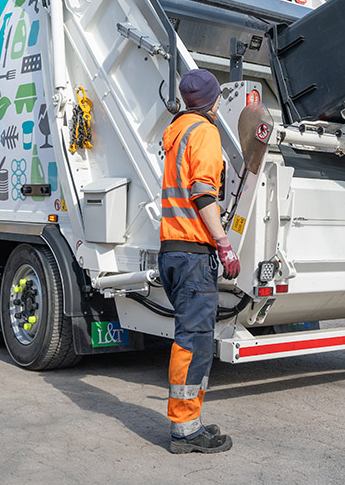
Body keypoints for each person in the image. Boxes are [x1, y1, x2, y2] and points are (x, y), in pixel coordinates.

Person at [158, 68, 241, 454]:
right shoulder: (204, 133)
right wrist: (223, 244)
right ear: (214, 100)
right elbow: (204, 194)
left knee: (189, 338)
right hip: (193, 253)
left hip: (172, 250)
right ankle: (186, 430)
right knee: (194, 341)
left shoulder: (176, 132)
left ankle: (187, 422)